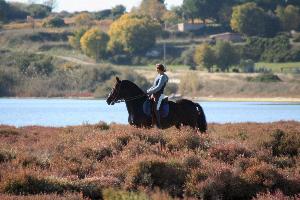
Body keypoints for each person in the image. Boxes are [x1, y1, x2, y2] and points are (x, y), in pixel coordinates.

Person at [147, 63, 169, 128]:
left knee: (156, 108)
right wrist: (148, 91)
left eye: (156, 68)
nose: (156, 70)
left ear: (159, 69)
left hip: (159, 95)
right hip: (154, 94)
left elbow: (158, 87)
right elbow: (154, 86)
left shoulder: (163, 77)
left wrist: (150, 91)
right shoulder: (158, 75)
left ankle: (159, 124)